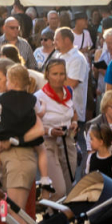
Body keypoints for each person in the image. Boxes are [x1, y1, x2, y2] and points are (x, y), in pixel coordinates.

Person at [34, 57, 77, 196]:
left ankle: (63, 215)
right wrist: (50, 131)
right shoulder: (38, 97)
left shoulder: (69, 92)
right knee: (58, 188)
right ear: (47, 75)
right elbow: (34, 124)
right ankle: (52, 214)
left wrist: (74, 123)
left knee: (70, 184)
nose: (59, 78)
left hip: (68, 142)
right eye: (55, 74)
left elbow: (73, 112)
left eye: (62, 74)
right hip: (48, 144)